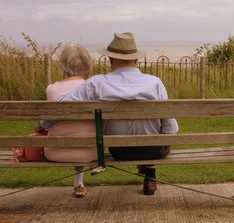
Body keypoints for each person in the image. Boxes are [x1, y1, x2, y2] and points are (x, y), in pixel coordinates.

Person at [57, 32, 179, 195]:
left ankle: (149, 173)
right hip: (154, 150)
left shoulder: (97, 83)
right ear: (136, 60)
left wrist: (43, 123)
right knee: (155, 136)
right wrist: (162, 139)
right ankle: (150, 174)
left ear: (110, 60)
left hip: (120, 151)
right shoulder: (155, 82)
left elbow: (61, 106)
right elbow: (170, 127)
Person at [43, 44, 102, 198]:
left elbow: (47, 123)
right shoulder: (94, 88)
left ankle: (79, 184)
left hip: (55, 152)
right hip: (92, 153)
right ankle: (79, 183)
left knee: (72, 130)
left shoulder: (52, 89)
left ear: (63, 65)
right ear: (88, 65)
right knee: (85, 131)